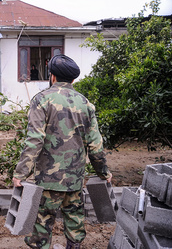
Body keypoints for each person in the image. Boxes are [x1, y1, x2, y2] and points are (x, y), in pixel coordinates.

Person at [12, 54, 112, 249]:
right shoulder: (86, 103)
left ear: (53, 77)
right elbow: (95, 146)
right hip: (74, 180)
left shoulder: (41, 100)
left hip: (48, 180)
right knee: (75, 222)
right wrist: (104, 173)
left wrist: (20, 173)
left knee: (42, 226)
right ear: (73, 80)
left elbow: (34, 140)